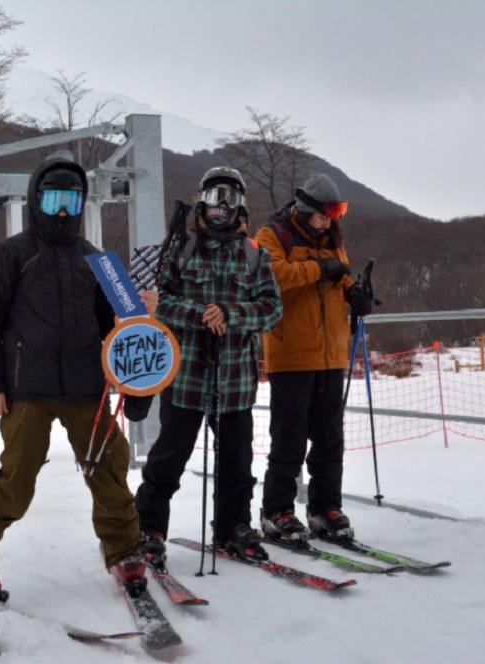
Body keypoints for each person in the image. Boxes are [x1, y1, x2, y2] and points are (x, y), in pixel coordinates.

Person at [0, 155, 145, 597]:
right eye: (53, 199)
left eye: (71, 201)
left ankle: (125, 549)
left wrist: (139, 385)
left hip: (87, 388)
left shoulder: (101, 262)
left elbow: (133, 328)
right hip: (25, 389)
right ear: (36, 200)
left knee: (109, 469)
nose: (62, 212)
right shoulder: (10, 255)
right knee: (15, 478)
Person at [135, 166, 282, 565]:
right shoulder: (180, 250)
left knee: (237, 461)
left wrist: (229, 313)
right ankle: (148, 528)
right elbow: (158, 303)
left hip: (235, 382)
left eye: (230, 198)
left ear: (241, 205)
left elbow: (271, 309)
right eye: (215, 197)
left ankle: (233, 527)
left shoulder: (255, 255)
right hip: (186, 378)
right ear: (201, 200)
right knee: (168, 457)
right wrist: (201, 314)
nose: (221, 207)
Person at [255, 173, 372, 541]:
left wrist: (356, 294)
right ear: (307, 210)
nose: (331, 220)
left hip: (331, 355)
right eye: (326, 214)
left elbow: (340, 277)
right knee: (289, 438)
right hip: (291, 355)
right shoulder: (273, 235)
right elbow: (272, 275)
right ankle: (278, 509)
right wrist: (320, 269)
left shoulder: (332, 238)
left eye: (336, 214)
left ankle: (325, 507)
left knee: (329, 438)